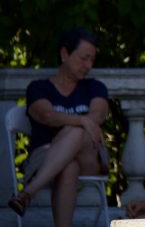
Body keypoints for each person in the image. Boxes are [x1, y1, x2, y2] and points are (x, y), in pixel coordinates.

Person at [7, 28, 110, 227]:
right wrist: (81, 120)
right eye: (83, 58)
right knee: (69, 165)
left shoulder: (94, 87)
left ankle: (27, 193)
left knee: (77, 133)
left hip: (88, 155)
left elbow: (98, 115)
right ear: (64, 54)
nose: (88, 65)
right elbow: (46, 115)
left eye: (92, 60)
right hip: (43, 157)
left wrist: (78, 124)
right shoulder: (38, 88)